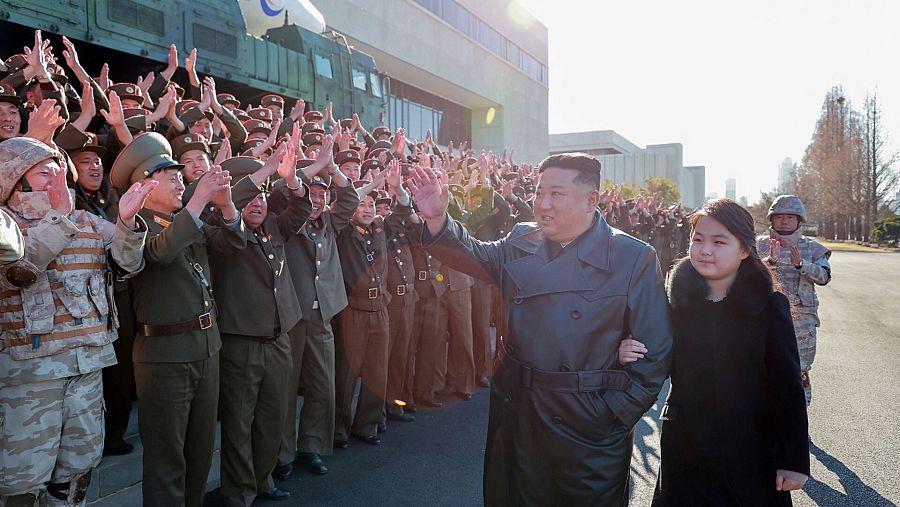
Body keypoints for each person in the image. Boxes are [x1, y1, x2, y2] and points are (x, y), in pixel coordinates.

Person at [407, 153, 673, 505]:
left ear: (591, 200)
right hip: (520, 415)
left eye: (556, 194)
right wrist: (439, 219)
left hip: (587, 431)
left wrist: (610, 417)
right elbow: (476, 257)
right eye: (539, 193)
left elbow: (655, 352)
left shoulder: (631, 256)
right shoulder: (522, 239)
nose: (543, 204)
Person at [620, 198, 810, 505]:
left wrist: (794, 460)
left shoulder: (768, 306)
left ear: (744, 249)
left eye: (719, 242)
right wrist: (628, 350)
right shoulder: (674, 304)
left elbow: (787, 386)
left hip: (751, 449)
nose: (705, 249)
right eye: (698, 240)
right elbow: (658, 360)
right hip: (685, 445)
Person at [0, 136, 152, 506]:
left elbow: (128, 264)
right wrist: (59, 218)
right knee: (21, 484)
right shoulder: (7, 226)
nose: (57, 179)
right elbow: (19, 272)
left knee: (76, 475)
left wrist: (127, 222)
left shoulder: (86, 221)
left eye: (58, 171)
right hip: (30, 377)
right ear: (14, 180)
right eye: (44, 173)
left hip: (87, 368)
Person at [110, 132, 248, 507]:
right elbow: (158, 254)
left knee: (200, 452)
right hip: (164, 356)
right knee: (166, 459)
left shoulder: (183, 221)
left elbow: (233, 244)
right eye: (172, 178)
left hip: (206, 346)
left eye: (180, 178)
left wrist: (227, 206)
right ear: (145, 186)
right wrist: (199, 200)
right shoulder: (135, 227)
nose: (181, 184)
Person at [757, 195, 832, 405]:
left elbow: (824, 277)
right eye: (779, 217)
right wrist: (768, 262)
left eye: (790, 217)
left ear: (799, 220)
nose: (784, 221)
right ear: (772, 220)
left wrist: (802, 265)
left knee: (799, 368)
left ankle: (799, 414)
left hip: (801, 318)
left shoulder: (813, 247)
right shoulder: (759, 245)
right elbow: (745, 275)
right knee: (764, 366)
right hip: (766, 316)